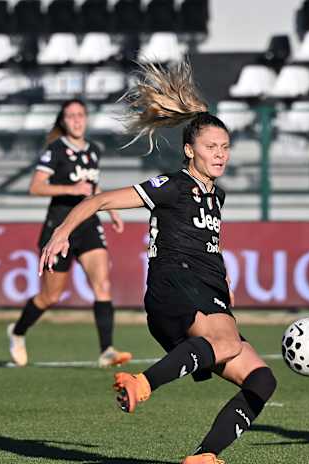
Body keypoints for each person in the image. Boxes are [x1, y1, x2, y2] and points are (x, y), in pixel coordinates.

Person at [38, 61, 276, 464]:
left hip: (205, 287)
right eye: (210, 147)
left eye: (224, 147)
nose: (219, 155)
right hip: (176, 284)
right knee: (227, 342)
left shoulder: (216, 196)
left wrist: (226, 277)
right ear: (189, 150)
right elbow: (98, 200)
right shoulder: (172, 185)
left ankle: (205, 456)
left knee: (261, 380)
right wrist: (62, 230)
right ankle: (140, 383)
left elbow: (209, 240)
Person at [6, 99, 132, 368]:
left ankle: (106, 350)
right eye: (71, 116)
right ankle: (17, 332)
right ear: (63, 121)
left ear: (86, 119)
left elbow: (93, 188)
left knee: (103, 285)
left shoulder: (94, 150)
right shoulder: (56, 149)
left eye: (80, 115)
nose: (76, 120)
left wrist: (111, 210)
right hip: (59, 228)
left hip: (88, 225)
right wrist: (70, 190)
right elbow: (36, 187)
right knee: (50, 297)